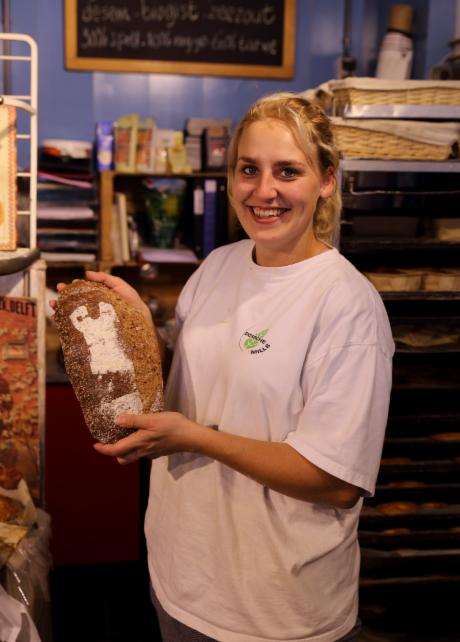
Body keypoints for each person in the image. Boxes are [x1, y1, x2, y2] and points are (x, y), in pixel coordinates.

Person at [54, 92, 394, 642]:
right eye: (248, 170)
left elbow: (335, 482)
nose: (264, 191)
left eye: (288, 171)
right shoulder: (217, 266)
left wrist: (196, 439)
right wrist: (139, 329)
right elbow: (196, 385)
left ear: (327, 180)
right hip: (182, 575)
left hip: (274, 608)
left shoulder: (346, 305)